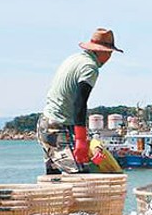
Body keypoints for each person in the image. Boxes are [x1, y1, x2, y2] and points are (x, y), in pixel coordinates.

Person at [37, 28, 123, 174]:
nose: (109, 57)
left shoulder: (74, 59)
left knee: (54, 178)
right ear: (103, 51)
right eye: (109, 53)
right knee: (79, 176)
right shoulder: (90, 67)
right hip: (57, 127)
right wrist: (81, 140)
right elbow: (80, 103)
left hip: (46, 123)